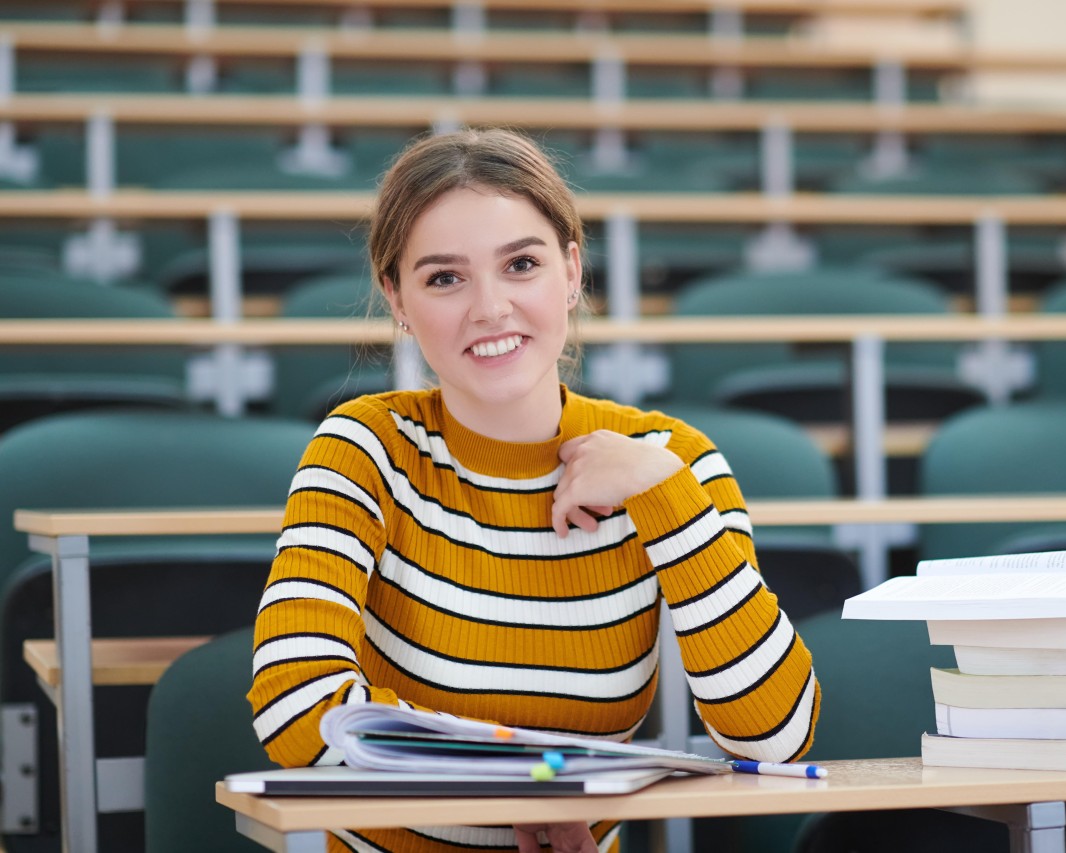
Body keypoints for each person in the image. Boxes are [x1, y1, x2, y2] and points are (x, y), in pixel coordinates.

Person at [248, 128, 821, 853]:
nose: (490, 308)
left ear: (572, 271)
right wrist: (526, 787)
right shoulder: (364, 448)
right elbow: (296, 709)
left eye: (521, 263)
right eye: (444, 277)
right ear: (396, 296)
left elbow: (775, 737)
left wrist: (668, 501)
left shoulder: (673, 462)